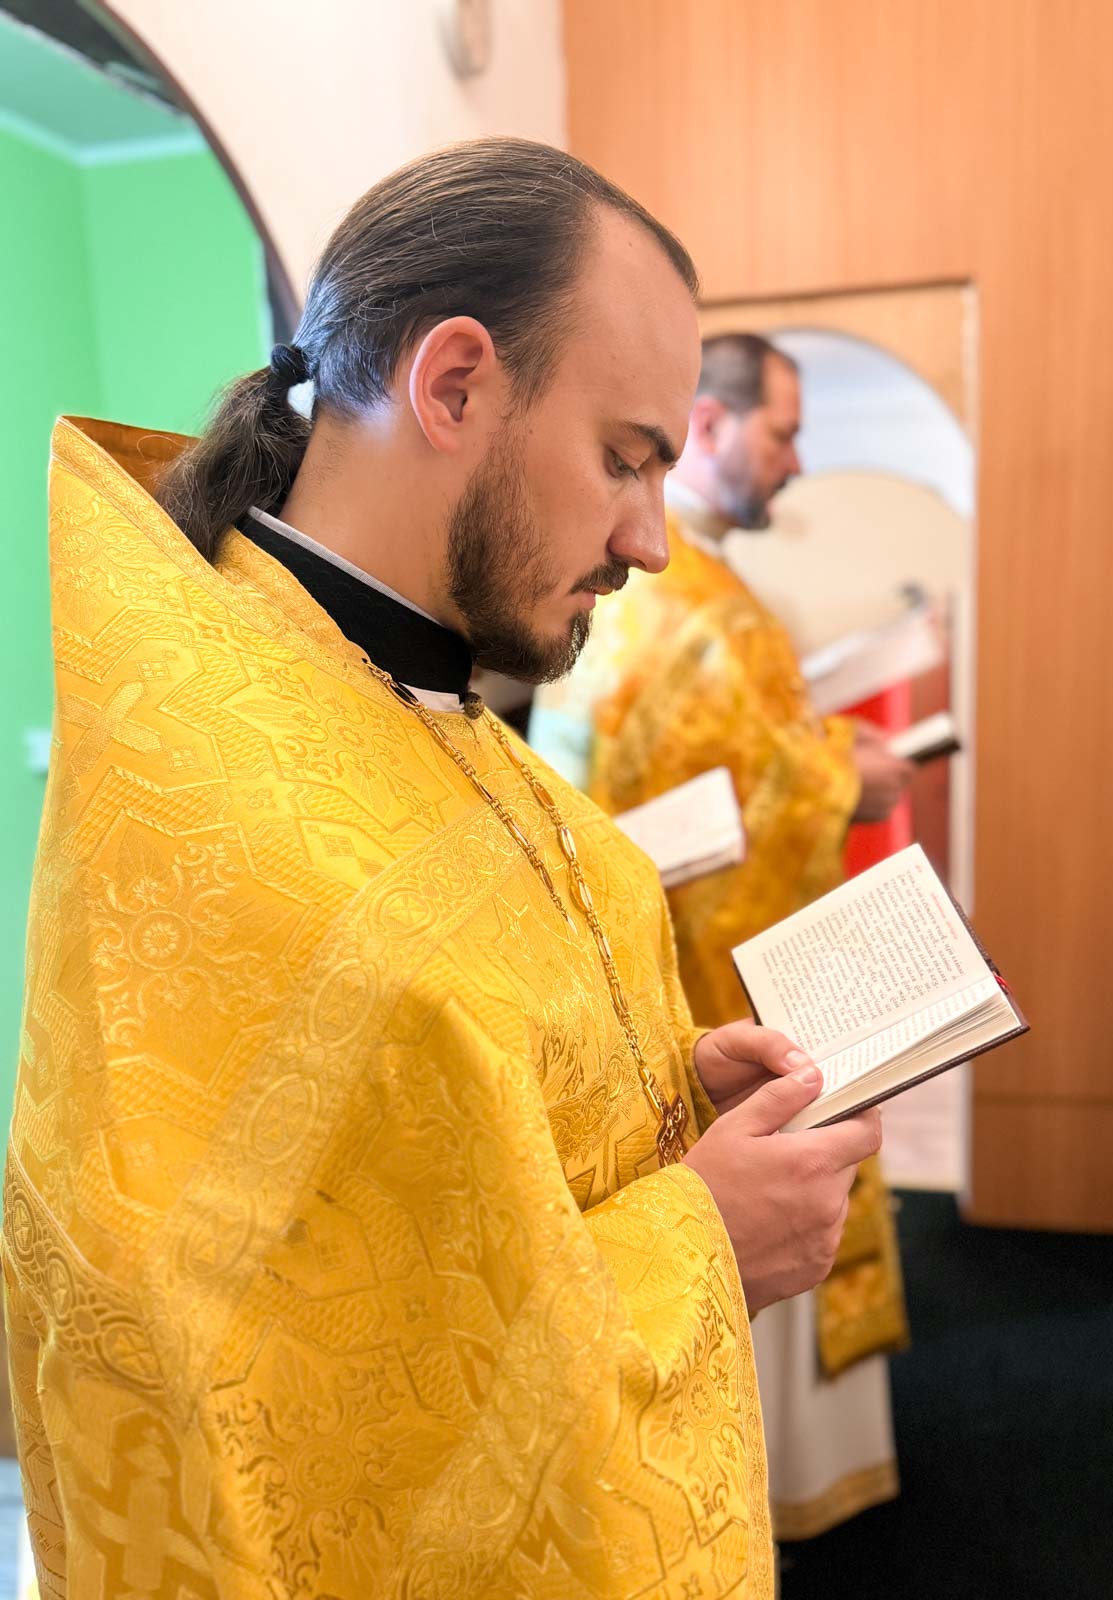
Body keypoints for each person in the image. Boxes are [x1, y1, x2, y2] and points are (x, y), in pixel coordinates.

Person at [1, 141, 883, 1598]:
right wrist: (701, 1239)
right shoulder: (218, 783)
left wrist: (659, 1101)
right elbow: (243, 1401)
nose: (653, 540)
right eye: (625, 458)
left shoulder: (421, 702)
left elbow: (431, 1146)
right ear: (455, 384)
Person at [531, 331, 913, 1541]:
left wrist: (812, 755)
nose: (796, 461)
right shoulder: (689, 597)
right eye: (784, 433)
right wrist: (841, 778)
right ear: (713, 423)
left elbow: (706, 759)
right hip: (715, 977)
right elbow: (737, 780)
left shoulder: (649, 583)